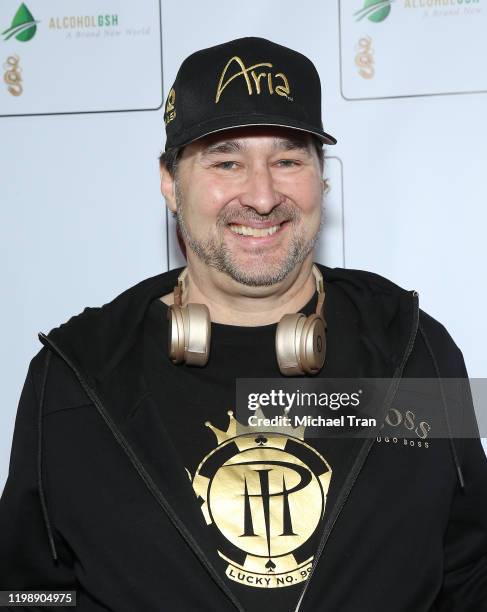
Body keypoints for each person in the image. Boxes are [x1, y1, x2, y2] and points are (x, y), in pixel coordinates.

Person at [0, 36, 486, 612]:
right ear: (169, 182)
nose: (261, 195)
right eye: (226, 160)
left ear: (321, 179)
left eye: (287, 160)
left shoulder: (414, 348)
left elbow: (471, 570)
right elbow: (25, 594)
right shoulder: (76, 377)